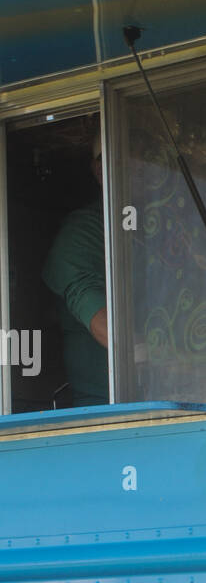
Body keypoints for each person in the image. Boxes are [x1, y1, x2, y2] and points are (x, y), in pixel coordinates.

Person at [42, 134, 109, 406]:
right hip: (108, 410)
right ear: (98, 170)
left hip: (173, 403)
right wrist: (173, 360)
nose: (137, 167)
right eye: (112, 158)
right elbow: (106, 328)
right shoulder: (84, 231)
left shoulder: (162, 224)